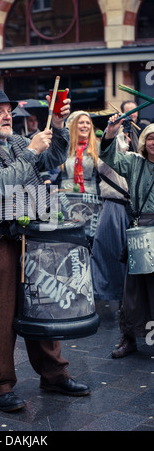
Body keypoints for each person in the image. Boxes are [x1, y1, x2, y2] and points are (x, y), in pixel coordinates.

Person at [0, 86, 90, 413]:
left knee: (40, 305)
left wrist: (59, 126)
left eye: (9, 109)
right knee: (0, 314)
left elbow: (54, 158)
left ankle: (54, 374)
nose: (8, 115)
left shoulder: (18, 141)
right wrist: (31, 152)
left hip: (27, 237)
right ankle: (0, 385)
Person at [100, 118, 154, 358]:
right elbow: (110, 158)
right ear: (144, 141)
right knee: (133, 288)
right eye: (151, 137)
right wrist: (111, 133)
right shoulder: (134, 162)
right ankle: (129, 338)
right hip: (140, 229)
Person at [90, 127, 131, 302]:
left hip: (132, 212)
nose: (126, 139)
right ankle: (111, 296)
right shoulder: (105, 160)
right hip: (113, 210)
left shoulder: (134, 159)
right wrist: (112, 134)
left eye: (128, 136)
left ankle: (129, 297)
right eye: (123, 136)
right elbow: (107, 151)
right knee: (111, 254)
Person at [61, 111, 99, 194]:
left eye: (88, 123)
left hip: (91, 200)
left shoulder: (98, 147)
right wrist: (54, 205)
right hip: (64, 198)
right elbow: (53, 175)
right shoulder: (63, 147)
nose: (85, 126)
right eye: (81, 122)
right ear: (72, 126)